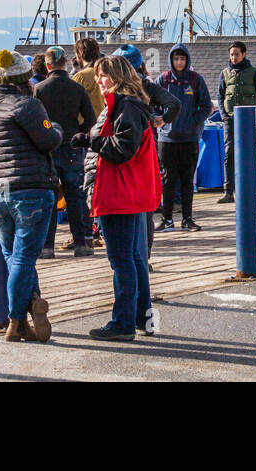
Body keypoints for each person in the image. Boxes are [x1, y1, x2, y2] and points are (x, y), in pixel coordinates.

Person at [0, 50, 63, 343]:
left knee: (13, 255)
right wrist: (58, 128)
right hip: (30, 188)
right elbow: (49, 140)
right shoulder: (28, 105)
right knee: (24, 257)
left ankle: (32, 302)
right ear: (24, 79)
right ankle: (15, 322)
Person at [74, 55, 160, 341]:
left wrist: (91, 141)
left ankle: (122, 322)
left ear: (117, 77)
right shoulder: (132, 104)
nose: (98, 81)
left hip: (118, 191)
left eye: (103, 76)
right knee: (134, 258)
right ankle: (142, 318)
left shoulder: (124, 107)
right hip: (129, 191)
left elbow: (123, 149)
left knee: (122, 259)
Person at [111, 44, 180, 264]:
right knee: (145, 204)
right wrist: (162, 120)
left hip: (121, 146)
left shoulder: (117, 88)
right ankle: (144, 257)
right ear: (139, 63)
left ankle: (131, 256)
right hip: (146, 144)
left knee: (128, 204)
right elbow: (174, 103)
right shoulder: (147, 85)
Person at [35, 46, 97, 257]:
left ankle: (47, 246)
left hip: (48, 149)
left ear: (47, 65)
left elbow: (34, 122)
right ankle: (81, 243)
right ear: (67, 62)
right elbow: (90, 119)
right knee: (75, 197)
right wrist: (78, 133)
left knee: (49, 199)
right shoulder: (77, 88)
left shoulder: (39, 90)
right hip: (72, 146)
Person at [155, 43, 211, 232]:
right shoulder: (163, 80)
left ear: (187, 60)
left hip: (189, 138)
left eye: (182, 59)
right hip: (167, 139)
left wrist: (194, 122)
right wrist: (160, 120)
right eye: (176, 59)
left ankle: (187, 218)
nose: (179, 62)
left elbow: (205, 106)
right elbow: (151, 104)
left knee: (187, 180)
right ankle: (167, 219)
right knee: (168, 179)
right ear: (171, 60)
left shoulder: (196, 80)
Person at [218, 40, 256, 204]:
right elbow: (220, 95)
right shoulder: (225, 73)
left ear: (244, 54)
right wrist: (223, 114)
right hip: (231, 120)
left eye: (237, 54)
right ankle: (228, 191)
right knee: (229, 153)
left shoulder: (254, 72)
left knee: (254, 151)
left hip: (248, 119)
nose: (234, 57)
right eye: (231, 54)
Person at [72, 37, 105, 118]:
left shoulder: (80, 76)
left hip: (86, 126)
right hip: (102, 123)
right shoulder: (105, 73)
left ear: (79, 54)